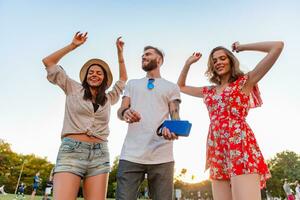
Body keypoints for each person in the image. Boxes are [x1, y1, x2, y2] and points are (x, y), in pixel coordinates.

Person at [177, 41, 284, 200]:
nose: (218, 62)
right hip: (217, 150)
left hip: (240, 147)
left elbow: (277, 46)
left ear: (231, 60)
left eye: (222, 58)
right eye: (214, 61)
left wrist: (242, 48)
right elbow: (181, 87)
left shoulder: (245, 82)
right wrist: (187, 64)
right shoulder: (209, 91)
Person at [42, 32, 127, 200]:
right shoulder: (72, 87)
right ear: (86, 77)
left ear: (104, 79)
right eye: (91, 72)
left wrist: (120, 53)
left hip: (100, 154)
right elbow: (48, 62)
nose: (94, 74)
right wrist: (73, 45)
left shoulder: (109, 99)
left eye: (99, 73)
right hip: (71, 151)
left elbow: (123, 78)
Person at [116, 45, 181, 200]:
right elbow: (121, 110)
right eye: (142, 55)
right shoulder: (132, 84)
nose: (143, 57)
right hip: (131, 154)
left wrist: (174, 131)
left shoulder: (171, 87)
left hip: (162, 156)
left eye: (148, 54)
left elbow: (175, 115)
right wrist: (126, 113)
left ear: (159, 60)